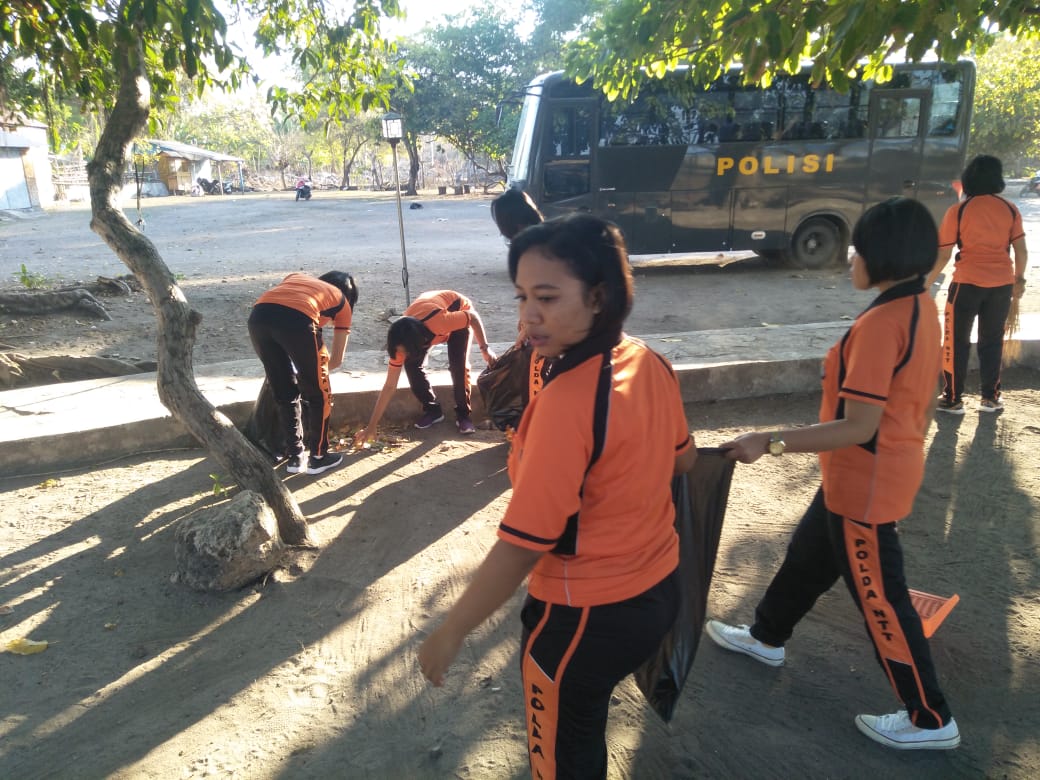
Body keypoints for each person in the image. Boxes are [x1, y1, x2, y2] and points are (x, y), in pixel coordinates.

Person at [417, 215, 698, 779]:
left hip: (581, 618)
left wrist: (451, 632)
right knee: (582, 733)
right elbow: (682, 458)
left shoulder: (569, 401)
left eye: (547, 297)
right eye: (522, 296)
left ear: (599, 296)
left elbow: (524, 544)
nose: (527, 315)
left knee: (563, 759)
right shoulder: (649, 361)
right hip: (661, 590)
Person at [706, 197, 960, 751]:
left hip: (865, 485)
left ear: (882, 255)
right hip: (866, 475)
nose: (850, 257)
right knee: (809, 555)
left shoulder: (880, 324)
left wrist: (767, 442)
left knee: (882, 598)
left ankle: (929, 718)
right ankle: (767, 635)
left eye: (858, 248)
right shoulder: (920, 302)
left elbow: (857, 426)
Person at [926, 154, 1028, 414]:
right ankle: (990, 398)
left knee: (956, 342)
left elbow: (944, 255)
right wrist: (1019, 281)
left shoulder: (958, 211)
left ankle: (952, 399)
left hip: (965, 286)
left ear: (968, 178)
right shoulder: (1009, 209)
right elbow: (1021, 251)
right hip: (1002, 286)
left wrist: (924, 285)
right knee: (992, 341)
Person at [247, 271, 357, 475]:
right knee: (319, 395)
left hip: (258, 318)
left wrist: (300, 368)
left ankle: (295, 456)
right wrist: (311, 375)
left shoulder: (297, 277)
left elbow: (282, 308)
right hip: (298, 322)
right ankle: (319, 457)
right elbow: (336, 360)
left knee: (284, 393)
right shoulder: (343, 304)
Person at [353, 290, 496, 443]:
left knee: (458, 366)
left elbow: (473, 318)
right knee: (412, 366)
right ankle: (433, 410)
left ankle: (463, 415)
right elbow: (389, 386)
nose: (402, 355)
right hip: (425, 317)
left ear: (419, 344)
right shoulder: (399, 343)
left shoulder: (440, 322)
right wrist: (371, 426)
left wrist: (485, 348)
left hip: (457, 310)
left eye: (405, 352)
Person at [490, 188, 552, 404]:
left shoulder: (532, 248)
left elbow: (541, 294)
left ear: (512, 222)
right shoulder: (549, 234)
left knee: (536, 391)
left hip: (550, 333)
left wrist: (525, 332)